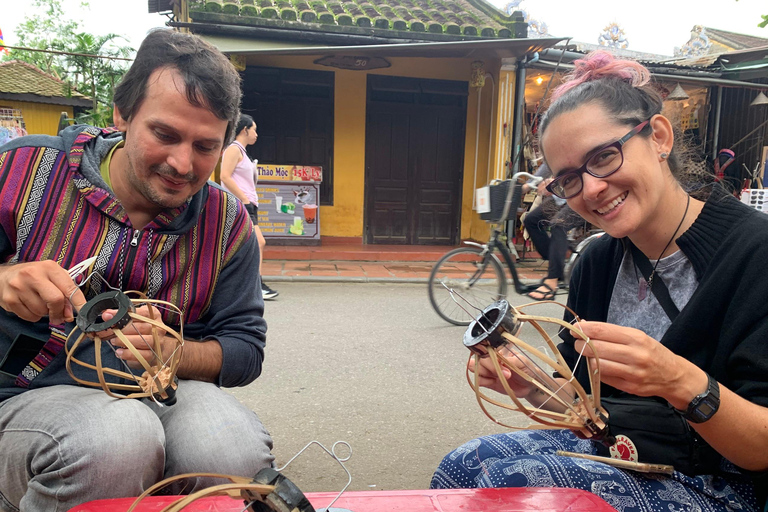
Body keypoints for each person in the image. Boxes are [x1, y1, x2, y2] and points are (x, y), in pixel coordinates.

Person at [432, 51, 768, 512]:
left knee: (515, 483)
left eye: (605, 157)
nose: (591, 190)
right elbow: (588, 411)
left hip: (729, 482)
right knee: (462, 467)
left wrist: (678, 380)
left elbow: (762, 448)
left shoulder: (755, 253)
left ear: (659, 137)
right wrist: (529, 385)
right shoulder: (598, 261)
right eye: (569, 178)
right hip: (626, 447)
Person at [0, 29, 274, 511]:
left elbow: (245, 349)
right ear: (122, 114)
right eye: (164, 134)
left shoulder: (226, 223)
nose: (182, 164)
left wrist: (176, 353)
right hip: (23, 395)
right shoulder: (22, 171)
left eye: (206, 146)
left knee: (231, 449)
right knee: (115, 441)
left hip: (162, 393)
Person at [220, 114, 278, 300]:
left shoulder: (243, 152)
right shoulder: (233, 149)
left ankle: (243, 285)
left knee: (238, 245)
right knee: (258, 242)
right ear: (244, 130)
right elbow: (224, 176)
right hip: (241, 204)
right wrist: (244, 199)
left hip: (249, 203)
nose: (256, 134)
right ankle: (256, 286)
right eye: (254, 129)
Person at [521, 162, 583, 300]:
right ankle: (557, 263)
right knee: (531, 220)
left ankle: (552, 279)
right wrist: (521, 188)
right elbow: (541, 173)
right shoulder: (552, 148)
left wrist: (555, 185)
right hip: (559, 199)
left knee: (558, 225)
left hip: (581, 198)